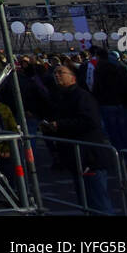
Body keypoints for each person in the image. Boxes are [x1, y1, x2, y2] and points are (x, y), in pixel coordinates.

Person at [41, 64, 114, 214]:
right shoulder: (61, 96)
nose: (57, 76)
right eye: (55, 73)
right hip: (76, 156)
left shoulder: (82, 96)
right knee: (86, 201)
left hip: (89, 155)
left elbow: (90, 121)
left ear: (72, 77)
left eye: (61, 72)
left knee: (97, 200)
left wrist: (60, 125)